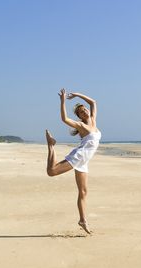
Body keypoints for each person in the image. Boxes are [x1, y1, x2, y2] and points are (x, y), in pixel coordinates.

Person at [45, 88, 101, 234]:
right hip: (79, 156)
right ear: (80, 117)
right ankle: (51, 145)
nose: (85, 112)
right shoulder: (82, 126)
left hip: (84, 162)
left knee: (83, 192)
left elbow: (93, 102)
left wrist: (77, 95)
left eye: (84, 109)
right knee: (51, 171)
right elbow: (64, 119)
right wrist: (63, 100)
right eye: (81, 112)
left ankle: (82, 220)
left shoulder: (93, 121)